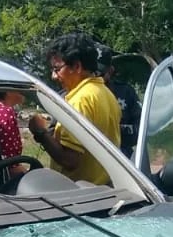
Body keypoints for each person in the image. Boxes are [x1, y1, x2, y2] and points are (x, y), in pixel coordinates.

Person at [27, 34, 121, 185]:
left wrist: (41, 133)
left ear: (77, 66)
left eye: (57, 69)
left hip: (78, 196)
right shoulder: (105, 93)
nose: (53, 76)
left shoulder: (80, 100)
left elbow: (70, 161)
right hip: (104, 189)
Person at [97, 46, 141, 159]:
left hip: (121, 157)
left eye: (100, 73)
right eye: (93, 72)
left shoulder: (126, 92)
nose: (96, 77)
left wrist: (112, 129)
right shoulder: (78, 95)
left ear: (110, 70)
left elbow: (139, 131)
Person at [0, 90, 25, 160]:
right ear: (8, 91)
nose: (24, 91)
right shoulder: (5, 113)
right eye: (20, 89)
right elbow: (10, 158)